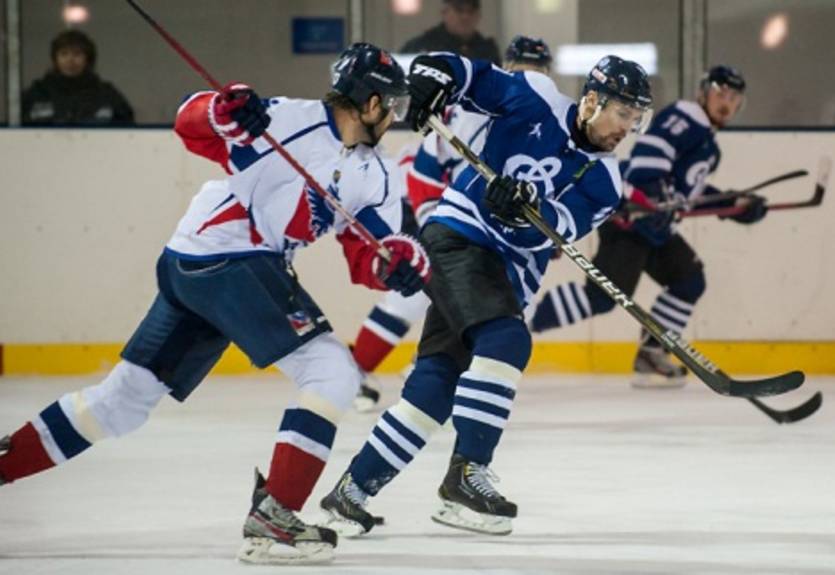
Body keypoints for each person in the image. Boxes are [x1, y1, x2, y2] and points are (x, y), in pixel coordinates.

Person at [0, 43, 430, 565]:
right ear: (370, 102)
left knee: (124, 401)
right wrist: (221, 109)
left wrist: (401, 262)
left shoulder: (376, 175)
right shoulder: (285, 118)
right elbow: (190, 124)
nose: (396, 118)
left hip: (203, 264)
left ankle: (7, 462)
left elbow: (371, 252)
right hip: (227, 258)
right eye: (395, 105)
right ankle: (273, 520)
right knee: (332, 371)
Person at [318, 53, 653, 536]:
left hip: (506, 274)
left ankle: (351, 492)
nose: (628, 127)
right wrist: (436, 79)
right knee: (507, 341)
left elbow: (554, 232)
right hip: (459, 236)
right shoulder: (535, 96)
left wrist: (530, 208)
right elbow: (466, 74)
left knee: (434, 384)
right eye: (624, 113)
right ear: (593, 100)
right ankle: (466, 473)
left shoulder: (605, 181)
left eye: (636, 118)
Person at [351, 36, 553, 412]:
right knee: (412, 296)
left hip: (480, 230)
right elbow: (424, 172)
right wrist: (438, 228)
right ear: (509, 67)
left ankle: (430, 366)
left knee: (488, 301)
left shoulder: (547, 122)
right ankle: (356, 372)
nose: (529, 74)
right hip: (434, 213)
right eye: (521, 66)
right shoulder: (476, 108)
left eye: (537, 67)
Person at [529, 65, 763, 388]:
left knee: (689, 280)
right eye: (720, 93)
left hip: (655, 228)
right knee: (599, 299)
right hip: (632, 220)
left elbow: (684, 194)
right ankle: (526, 321)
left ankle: (651, 353)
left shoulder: (708, 144)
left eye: (734, 98)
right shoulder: (687, 115)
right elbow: (652, 151)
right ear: (703, 91)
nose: (726, 102)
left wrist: (734, 205)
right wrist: (648, 191)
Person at [22, 30, 134, 126]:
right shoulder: (37, 92)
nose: (70, 60)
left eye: (77, 54)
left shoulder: (106, 94)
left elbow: (127, 130)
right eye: (64, 54)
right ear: (55, 59)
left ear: (88, 60)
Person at [400, 0, 501, 65]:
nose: (465, 17)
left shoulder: (487, 50)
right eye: (459, 10)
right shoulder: (421, 46)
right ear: (444, 12)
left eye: (471, 11)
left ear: (479, 15)